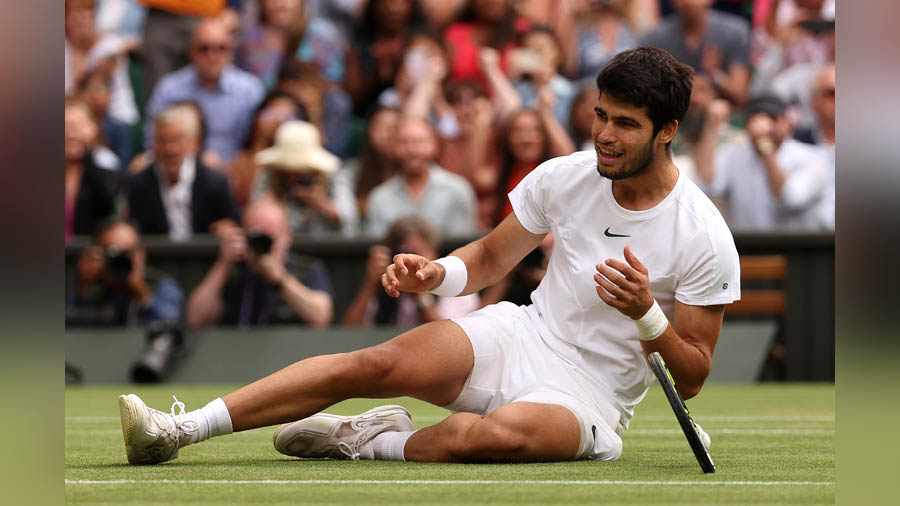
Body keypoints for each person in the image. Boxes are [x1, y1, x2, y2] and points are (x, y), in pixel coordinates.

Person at [118, 47, 740, 466]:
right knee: (372, 361)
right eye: (601, 116)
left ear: (667, 130)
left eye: (625, 124)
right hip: (523, 335)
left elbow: (691, 377)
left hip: (594, 399)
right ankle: (179, 430)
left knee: (487, 436)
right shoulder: (566, 176)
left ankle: (368, 440)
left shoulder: (703, 234)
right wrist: (440, 272)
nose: (604, 135)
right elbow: (493, 258)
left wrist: (645, 314)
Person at [185, 199, 334, 328]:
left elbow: (321, 317)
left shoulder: (306, 269)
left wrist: (280, 279)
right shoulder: (233, 270)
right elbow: (194, 320)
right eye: (254, 238)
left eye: (269, 239)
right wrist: (223, 264)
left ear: (287, 237)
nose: (261, 246)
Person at [694, 92, 830, 231]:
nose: (763, 125)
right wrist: (710, 127)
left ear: (786, 123)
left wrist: (764, 143)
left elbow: (789, 198)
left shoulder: (813, 157)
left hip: (793, 249)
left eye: (772, 118)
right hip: (747, 249)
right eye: (755, 118)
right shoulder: (734, 153)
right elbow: (707, 185)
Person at [144, 17, 266, 165]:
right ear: (190, 52)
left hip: (233, 172)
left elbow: (256, 145)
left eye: (221, 49)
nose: (212, 56)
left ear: (231, 52)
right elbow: (152, 140)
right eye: (204, 49)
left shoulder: (250, 91)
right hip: (178, 168)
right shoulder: (170, 88)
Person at [127, 103, 240, 240]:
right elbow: (133, 230)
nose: (170, 149)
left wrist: (226, 230)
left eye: (176, 140)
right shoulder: (139, 184)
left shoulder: (216, 183)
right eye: (162, 140)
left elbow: (233, 227)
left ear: (193, 143)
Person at [343, 216, 481, 327]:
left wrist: (421, 291)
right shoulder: (386, 285)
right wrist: (370, 284)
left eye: (415, 253)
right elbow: (349, 333)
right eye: (402, 254)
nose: (408, 261)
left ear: (434, 254)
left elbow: (451, 340)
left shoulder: (456, 285)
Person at [364, 116, 477, 238]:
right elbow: (378, 245)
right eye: (405, 142)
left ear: (434, 145)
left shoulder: (457, 190)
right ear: (394, 148)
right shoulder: (380, 197)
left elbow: (463, 245)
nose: (412, 150)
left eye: (419, 142)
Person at [250, 121, 359, 237]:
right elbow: (254, 222)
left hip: (327, 249)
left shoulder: (333, 176)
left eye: (301, 169)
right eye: (288, 168)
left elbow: (350, 220)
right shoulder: (268, 176)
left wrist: (323, 205)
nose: (295, 174)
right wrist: (270, 208)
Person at [67, 218, 183, 326]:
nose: (121, 261)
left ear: (142, 254)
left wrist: (143, 296)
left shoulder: (162, 287)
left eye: (128, 253)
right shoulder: (92, 290)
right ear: (99, 256)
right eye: (113, 254)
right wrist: (80, 289)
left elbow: (170, 329)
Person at [640, 0, 750, 106]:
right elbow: (643, 87)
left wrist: (715, 75)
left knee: (719, 109)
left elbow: (740, 95)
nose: (688, 2)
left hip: (718, 112)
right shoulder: (655, 36)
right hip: (671, 108)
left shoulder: (735, 31)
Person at [65, 97, 122, 242]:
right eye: (65, 126)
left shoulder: (107, 174)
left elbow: (107, 206)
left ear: (93, 129)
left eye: (78, 127)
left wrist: (87, 154)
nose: (72, 133)